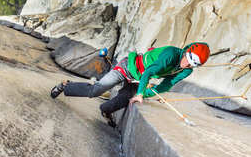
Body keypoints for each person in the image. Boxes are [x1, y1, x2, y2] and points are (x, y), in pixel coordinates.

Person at [50, 42, 210, 126]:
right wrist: (140, 93)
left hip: (138, 79)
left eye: (192, 65)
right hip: (128, 67)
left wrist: (145, 94)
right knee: (97, 89)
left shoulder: (186, 71)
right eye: (187, 60)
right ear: (186, 52)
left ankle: (105, 110)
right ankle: (66, 85)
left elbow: (166, 85)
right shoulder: (171, 54)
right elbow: (149, 72)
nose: (187, 65)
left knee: (125, 99)